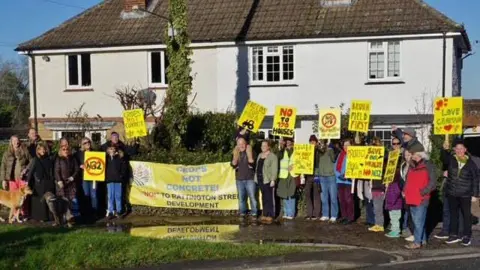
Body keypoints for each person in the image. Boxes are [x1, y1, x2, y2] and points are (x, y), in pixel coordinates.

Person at [442, 139, 479, 246]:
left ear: (465, 150)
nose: (459, 151)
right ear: (454, 150)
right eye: (457, 149)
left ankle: (467, 236)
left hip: (465, 194)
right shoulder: (451, 160)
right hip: (452, 193)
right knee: (453, 215)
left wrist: (475, 195)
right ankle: (454, 235)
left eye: (461, 149)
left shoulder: (471, 163)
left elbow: (475, 180)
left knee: (467, 216)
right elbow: (444, 158)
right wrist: (444, 150)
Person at [403, 143, 436, 249]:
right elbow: (408, 180)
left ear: (419, 154)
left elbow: (433, 182)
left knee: (418, 220)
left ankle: (417, 242)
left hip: (422, 198)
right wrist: (405, 190)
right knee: (418, 220)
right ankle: (423, 239)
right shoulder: (412, 165)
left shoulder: (428, 165)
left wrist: (423, 192)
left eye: (413, 153)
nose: (412, 155)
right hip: (411, 196)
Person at [0, 135, 31, 219]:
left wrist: (26, 169)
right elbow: (3, 167)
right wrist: (3, 180)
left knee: (24, 198)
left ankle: (25, 214)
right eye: (14, 141)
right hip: (12, 179)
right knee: (14, 199)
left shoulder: (24, 150)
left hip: (22, 178)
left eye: (17, 140)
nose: (16, 142)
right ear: (11, 142)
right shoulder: (7, 153)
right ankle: (15, 215)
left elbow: (31, 161)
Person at [27, 144, 56, 223]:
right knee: (40, 201)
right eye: (41, 149)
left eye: (44, 149)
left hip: (48, 182)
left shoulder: (49, 159)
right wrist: (27, 182)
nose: (43, 151)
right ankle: (41, 217)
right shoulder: (35, 160)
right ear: (38, 151)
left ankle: (49, 216)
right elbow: (31, 172)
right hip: (39, 183)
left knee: (49, 199)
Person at [231, 137, 257, 219]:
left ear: (246, 144)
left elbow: (253, 164)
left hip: (250, 179)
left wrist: (249, 155)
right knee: (241, 198)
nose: (241, 145)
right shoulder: (235, 153)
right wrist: (235, 157)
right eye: (239, 144)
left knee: (252, 197)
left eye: (243, 144)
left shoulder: (252, 151)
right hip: (239, 179)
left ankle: (254, 213)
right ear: (237, 145)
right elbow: (233, 165)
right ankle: (242, 212)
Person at [254, 140, 278, 224]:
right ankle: (265, 213)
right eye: (262, 146)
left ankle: (270, 215)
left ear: (268, 147)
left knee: (270, 198)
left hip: (268, 180)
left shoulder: (273, 156)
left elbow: (274, 169)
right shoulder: (260, 155)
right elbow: (257, 167)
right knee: (264, 198)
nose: (263, 147)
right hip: (261, 180)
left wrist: (273, 180)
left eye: (264, 145)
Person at [55, 146, 79, 227]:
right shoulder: (58, 159)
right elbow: (56, 171)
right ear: (61, 151)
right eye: (63, 149)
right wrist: (59, 180)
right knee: (63, 202)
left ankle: (73, 219)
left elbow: (77, 169)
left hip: (71, 183)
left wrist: (73, 177)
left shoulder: (73, 159)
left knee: (73, 201)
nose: (66, 151)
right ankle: (64, 220)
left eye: (67, 149)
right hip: (62, 184)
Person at [384, 140, 404, 238]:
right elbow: (387, 169)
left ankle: (396, 229)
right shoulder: (390, 156)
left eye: (398, 143)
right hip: (390, 183)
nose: (396, 145)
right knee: (391, 207)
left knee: (395, 207)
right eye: (394, 143)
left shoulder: (403, 156)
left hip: (397, 184)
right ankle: (394, 227)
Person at [75, 137, 98, 217]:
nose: (87, 143)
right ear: (81, 145)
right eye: (85, 143)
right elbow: (74, 165)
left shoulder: (94, 152)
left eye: (88, 142)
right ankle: (86, 212)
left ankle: (94, 212)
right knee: (86, 194)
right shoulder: (78, 154)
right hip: (83, 177)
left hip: (93, 177)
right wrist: (79, 166)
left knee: (94, 194)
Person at [368, 137, 387, 232]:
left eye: (375, 145)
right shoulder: (371, 158)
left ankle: (380, 224)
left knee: (378, 207)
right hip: (374, 186)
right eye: (372, 145)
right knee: (375, 207)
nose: (373, 147)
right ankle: (377, 223)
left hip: (380, 186)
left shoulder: (384, 158)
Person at [318, 139, 338, 222]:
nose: (321, 144)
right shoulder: (318, 152)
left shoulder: (330, 150)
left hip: (330, 176)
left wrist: (331, 149)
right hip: (322, 176)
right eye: (320, 143)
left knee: (333, 197)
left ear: (326, 143)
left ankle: (334, 215)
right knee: (324, 197)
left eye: (323, 143)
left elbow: (333, 160)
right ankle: (325, 214)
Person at [335, 139, 355, 225]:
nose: (346, 147)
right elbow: (335, 166)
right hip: (340, 180)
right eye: (344, 145)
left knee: (348, 199)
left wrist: (347, 175)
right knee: (341, 199)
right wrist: (338, 175)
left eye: (348, 145)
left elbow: (355, 167)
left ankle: (350, 217)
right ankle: (344, 216)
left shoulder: (354, 155)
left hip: (348, 181)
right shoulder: (341, 154)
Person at [277, 137, 297, 220]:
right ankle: (286, 212)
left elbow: (301, 161)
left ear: (292, 142)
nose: (288, 142)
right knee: (284, 194)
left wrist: (294, 166)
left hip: (292, 174)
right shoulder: (282, 151)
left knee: (291, 194)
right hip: (283, 175)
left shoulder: (296, 150)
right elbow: (278, 158)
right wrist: (280, 145)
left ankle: (291, 213)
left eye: (290, 141)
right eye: (286, 141)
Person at [105, 146, 127, 219]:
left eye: (113, 148)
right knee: (110, 196)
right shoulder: (106, 159)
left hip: (118, 180)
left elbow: (124, 167)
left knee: (118, 196)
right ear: (107, 150)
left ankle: (119, 211)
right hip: (109, 180)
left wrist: (121, 175)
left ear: (115, 150)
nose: (111, 150)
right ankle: (110, 211)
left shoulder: (119, 158)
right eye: (110, 148)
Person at [304, 135, 321, 220]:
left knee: (316, 194)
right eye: (311, 142)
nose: (312, 143)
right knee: (307, 193)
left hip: (316, 174)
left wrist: (318, 146)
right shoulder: (306, 150)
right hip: (308, 175)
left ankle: (316, 214)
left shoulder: (318, 150)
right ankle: (309, 213)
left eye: (313, 142)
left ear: (316, 142)